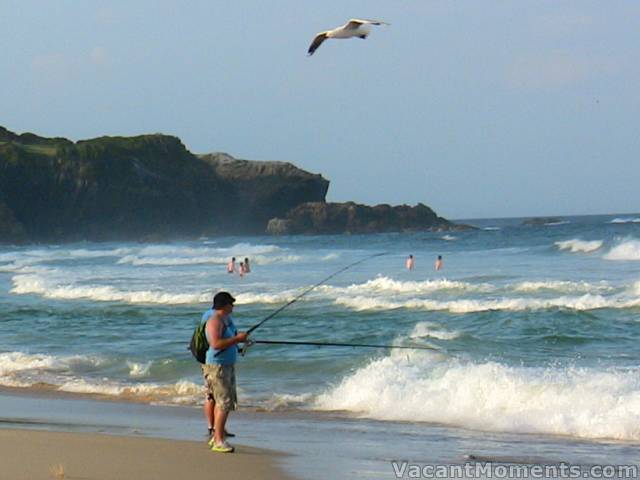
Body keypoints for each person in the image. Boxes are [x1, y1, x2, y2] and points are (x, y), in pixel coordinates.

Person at [202, 291, 247, 453]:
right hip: (217, 367)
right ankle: (219, 441)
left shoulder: (225, 320)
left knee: (223, 402)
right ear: (224, 305)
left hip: (226, 365)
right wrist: (236, 339)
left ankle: (216, 436)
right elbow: (215, 344)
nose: (233, 306)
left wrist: (239, 341)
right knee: (224, 403)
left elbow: (227, 341)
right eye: (231, 303)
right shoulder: (214, 320)